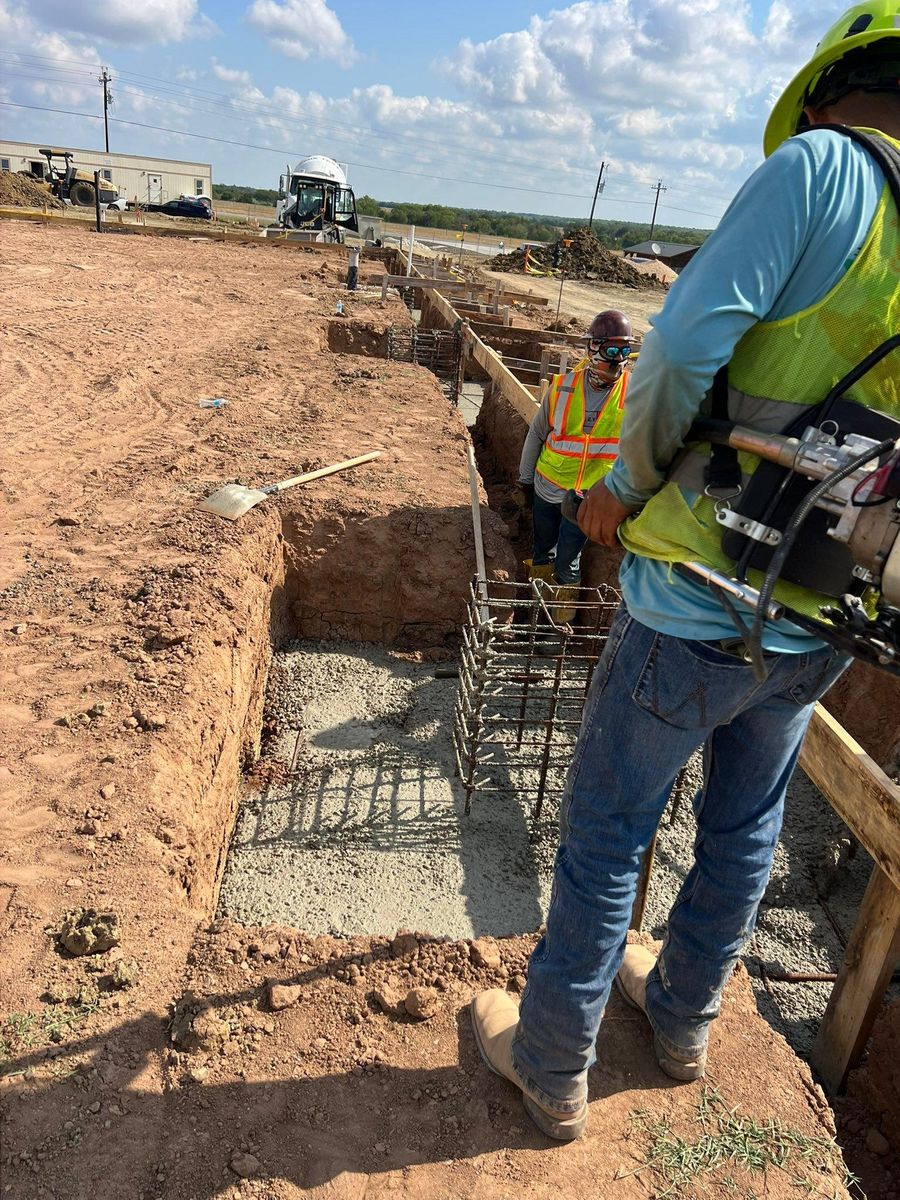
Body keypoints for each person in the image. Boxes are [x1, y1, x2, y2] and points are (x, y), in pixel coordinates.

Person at [471, 1, 899, 1142]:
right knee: (747, 821)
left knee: (612, 824)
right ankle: (682, 1022)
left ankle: (553, 1062)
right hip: (822, 615)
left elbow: (680, 349)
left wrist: (622, 486)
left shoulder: (821, 170)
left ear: (821, 95)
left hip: (698, 594)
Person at [517, 310, 634, 619]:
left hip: (587, 499)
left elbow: (639, 453)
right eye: (612, 350)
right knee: (543, 551)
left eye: (626, 350)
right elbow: (537, 433)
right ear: (592, 348)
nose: (619, 359)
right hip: (547, 487)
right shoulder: (562, 387)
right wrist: (525, 479)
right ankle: (535, 615)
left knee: (568, 560)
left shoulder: (634, 396)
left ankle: (558, 626)